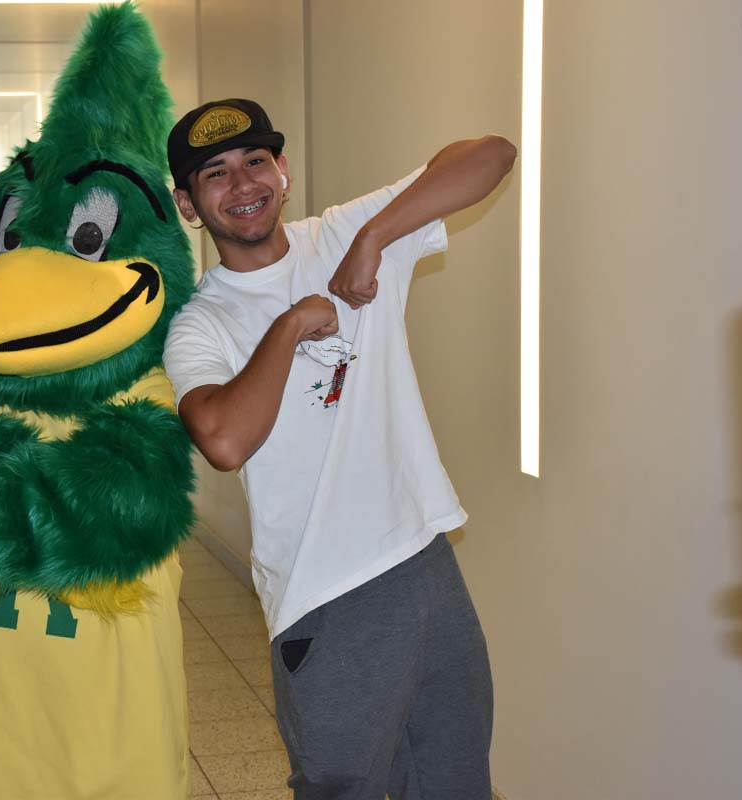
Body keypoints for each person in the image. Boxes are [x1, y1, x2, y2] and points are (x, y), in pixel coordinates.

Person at [163, 98, 516, 800]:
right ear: (189, 205)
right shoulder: (198, 325)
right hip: (324, 595)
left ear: (284, 171)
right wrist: (292, 324)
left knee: (457, 778)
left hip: (426, 561)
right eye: (216, 175)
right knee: (341, 788)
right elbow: (225, 439)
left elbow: (492, 154)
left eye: (256, 162)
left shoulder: (342, 233)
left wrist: (375, 237)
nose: (243, 185)